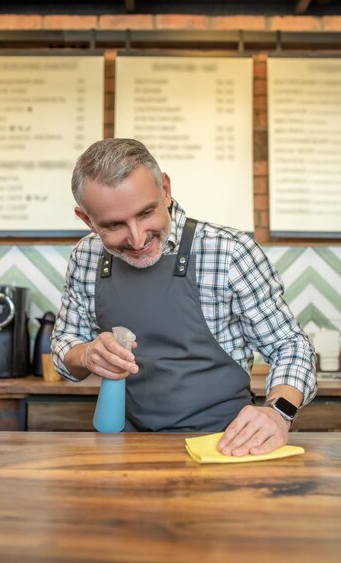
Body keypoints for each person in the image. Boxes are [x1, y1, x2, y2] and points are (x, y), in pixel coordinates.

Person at [51, 138, 316, 456]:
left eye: (146, 213)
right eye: (113, 225)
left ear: (165, 189)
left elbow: (289, 345)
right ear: (86, 220)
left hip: (225, 447)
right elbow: (65, 346)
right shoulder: (86, 256)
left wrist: (279, 412)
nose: (137, 239)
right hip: (126, 448)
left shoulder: (228, 252)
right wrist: (87, 355)